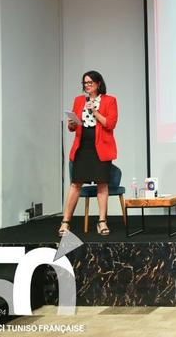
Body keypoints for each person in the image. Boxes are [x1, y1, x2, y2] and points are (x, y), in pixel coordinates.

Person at [58, 71, 118, 237]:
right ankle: (65, 223)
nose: (87, 85)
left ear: (98, 84)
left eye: (90, 82)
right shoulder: (79, 100)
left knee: (102, 184)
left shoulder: (110, 100)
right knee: (75, 184)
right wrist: (72, 123)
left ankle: (102, 222)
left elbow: (110, 124)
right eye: (85, 83)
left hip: (101, 147)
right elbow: (73, 128)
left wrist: (95, 111)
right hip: (82, 147)